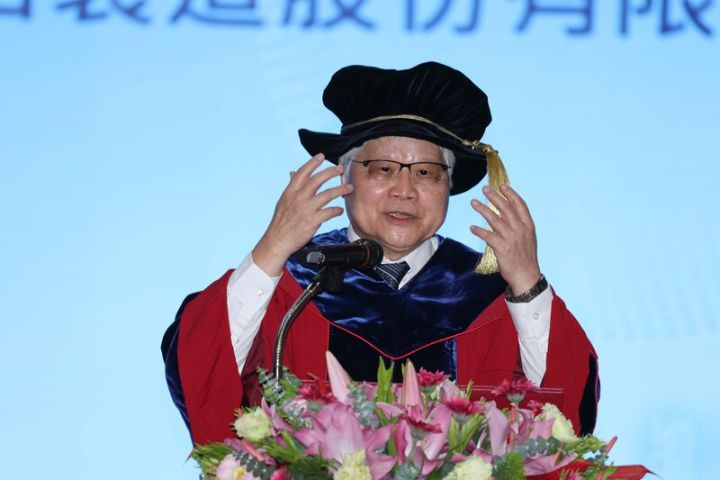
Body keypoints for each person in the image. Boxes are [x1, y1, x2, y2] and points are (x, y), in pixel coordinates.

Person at [161, 62, 599, 446]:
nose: (404, 190)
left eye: (426, 173)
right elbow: (201, 375)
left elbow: (562, 418)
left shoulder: (489, 294)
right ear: (345, 176)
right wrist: (271, 249)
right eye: (383, 169)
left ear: (448, 187)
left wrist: (527, 283)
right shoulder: (295, 281)